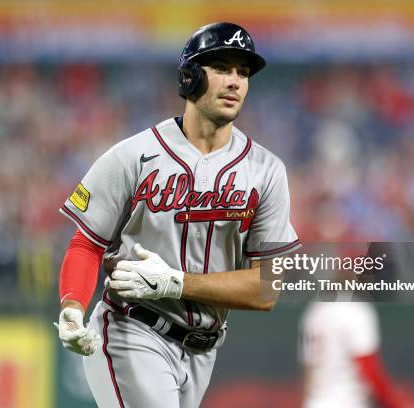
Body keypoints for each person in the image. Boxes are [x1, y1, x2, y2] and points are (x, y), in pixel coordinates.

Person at [54, 22, 300, 407]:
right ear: (189, 77)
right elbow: (87, 243)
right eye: (221, 66)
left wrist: (176, 283)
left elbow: (267, 287)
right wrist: (72, 305)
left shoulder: (267, 171)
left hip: (204, 349)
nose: (234, 81)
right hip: (131, 329)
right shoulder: (132, 156)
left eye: (243, 71)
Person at [298, 300, 409, 408]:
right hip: (349, 402)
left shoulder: (315, 309)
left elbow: (308, 371)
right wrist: (396, 402)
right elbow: (368, 368)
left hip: (316, 403)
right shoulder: (355, 310)